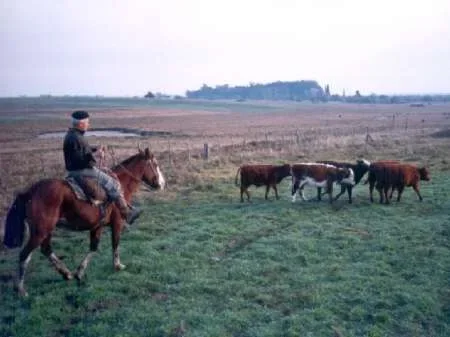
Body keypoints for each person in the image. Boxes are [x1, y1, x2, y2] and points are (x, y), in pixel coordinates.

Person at [63, 110, 141, 225]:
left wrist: (95, 149)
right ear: (81, 124)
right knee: (112, 183)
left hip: (73, 171)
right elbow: (83, 160)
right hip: (82, 171)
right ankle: (126, 214)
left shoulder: (72, 135)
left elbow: (82, 151)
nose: (89, 125)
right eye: (87, 122)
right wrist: (96, 155)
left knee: (108, 173)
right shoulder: (78, 138)